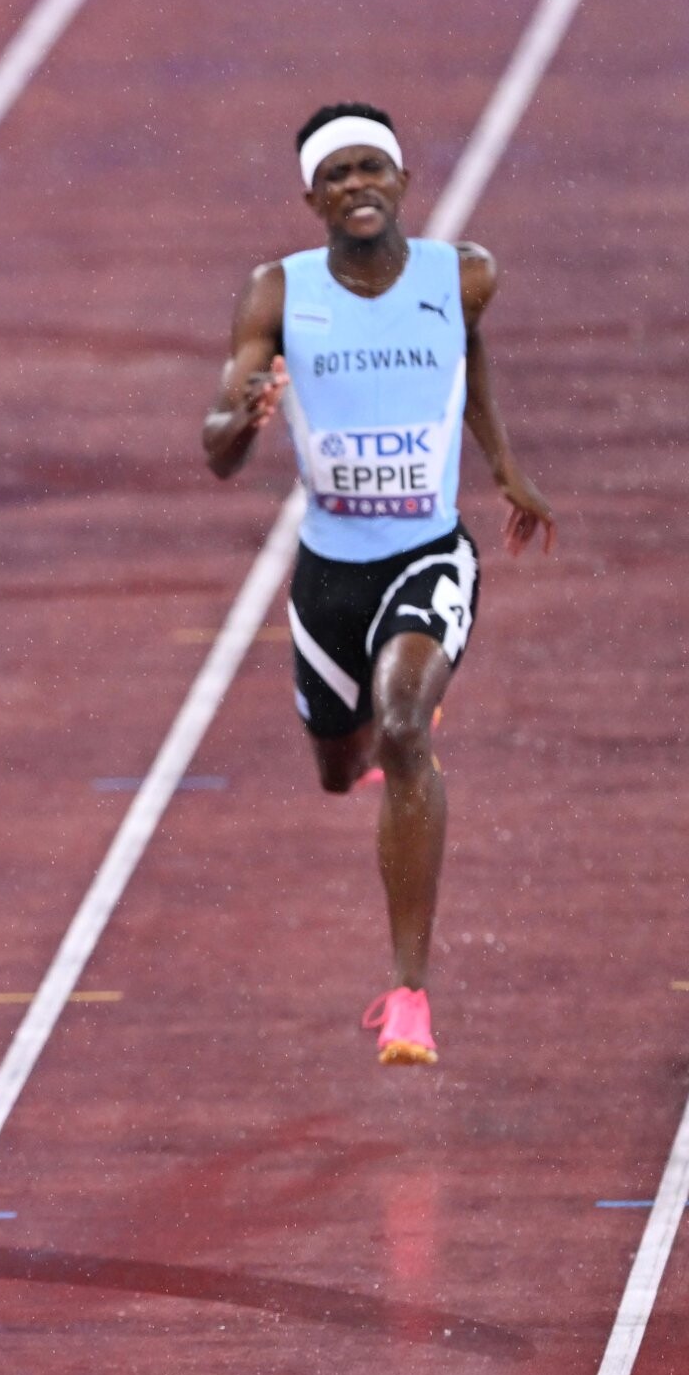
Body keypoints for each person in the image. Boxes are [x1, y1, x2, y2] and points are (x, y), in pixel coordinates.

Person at [205, 102, 554, 1064]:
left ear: (403, 181)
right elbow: (216, 447)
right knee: (337, 767)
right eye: (336, 175)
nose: (357, 185)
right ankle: (379, 721)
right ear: (311, 199)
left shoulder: (463, 275)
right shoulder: (278, 292)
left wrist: (505, 468)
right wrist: (242, 418)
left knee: (402, 726)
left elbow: (466, 355)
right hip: (330, 572)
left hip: (429, 552)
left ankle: (408, 994)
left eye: (372, 168)